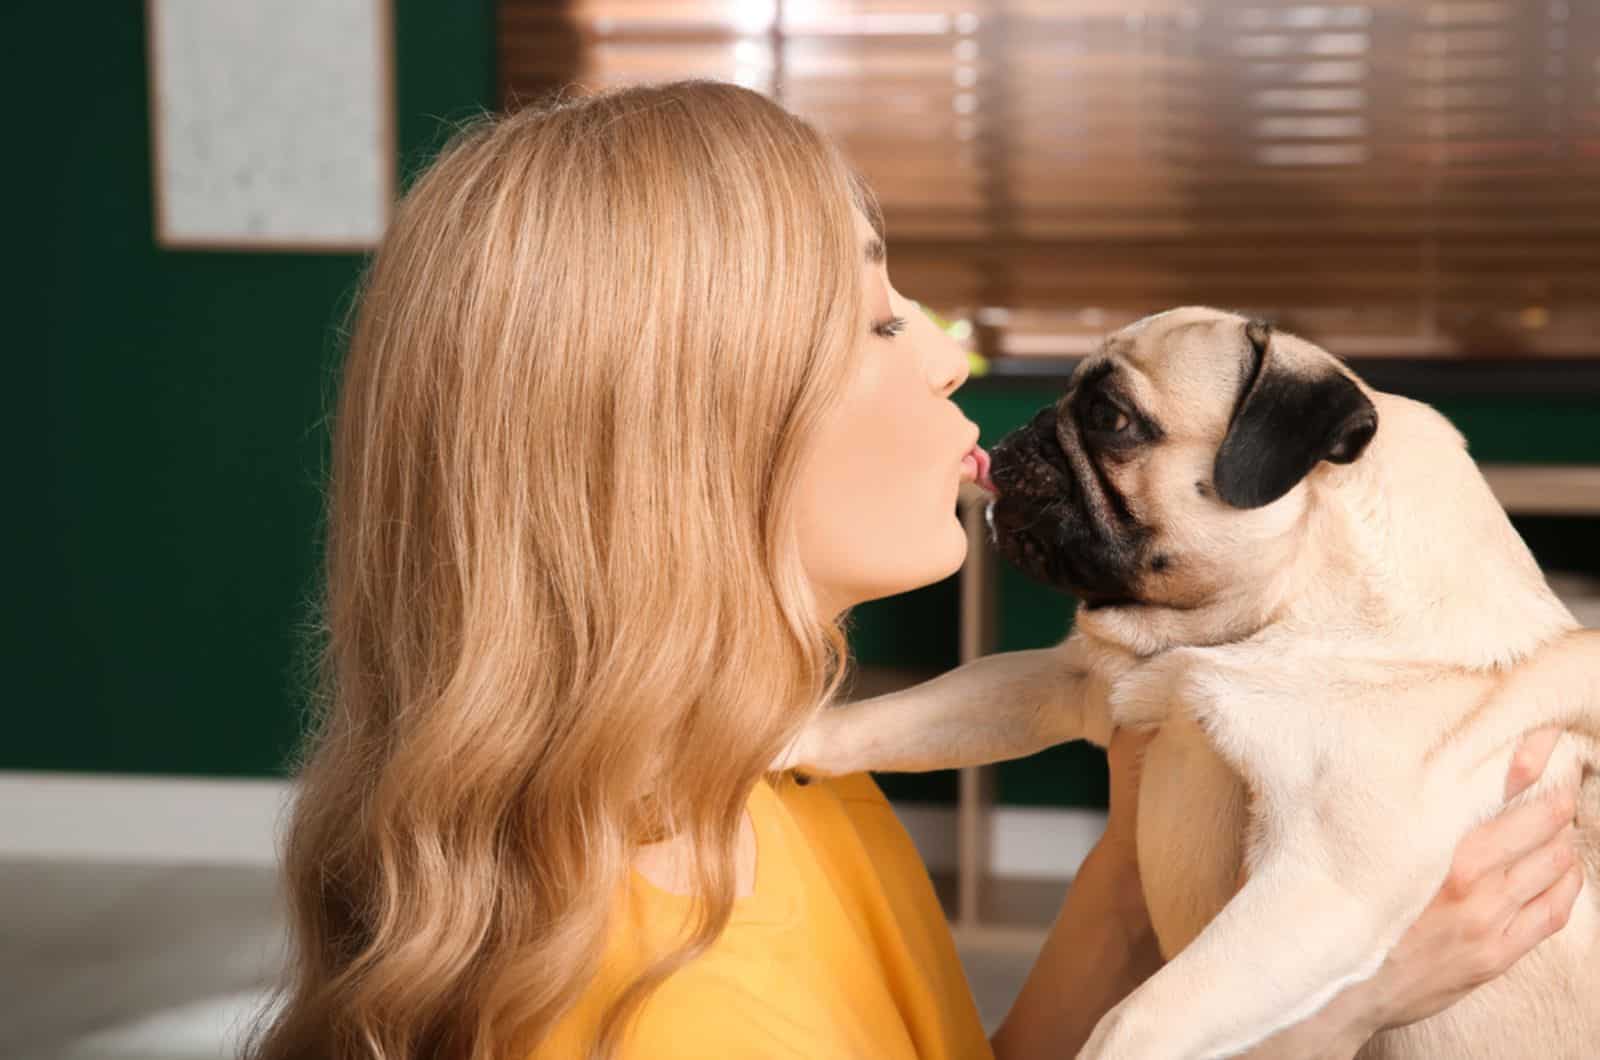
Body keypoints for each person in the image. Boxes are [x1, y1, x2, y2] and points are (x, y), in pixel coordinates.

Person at [241, 80, 1584, 1060]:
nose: (950, 357)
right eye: (879, 318)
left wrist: (1136, 856)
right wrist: (1349, 998)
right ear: (691, 437)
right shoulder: (668, 1011)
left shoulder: (771, 776)